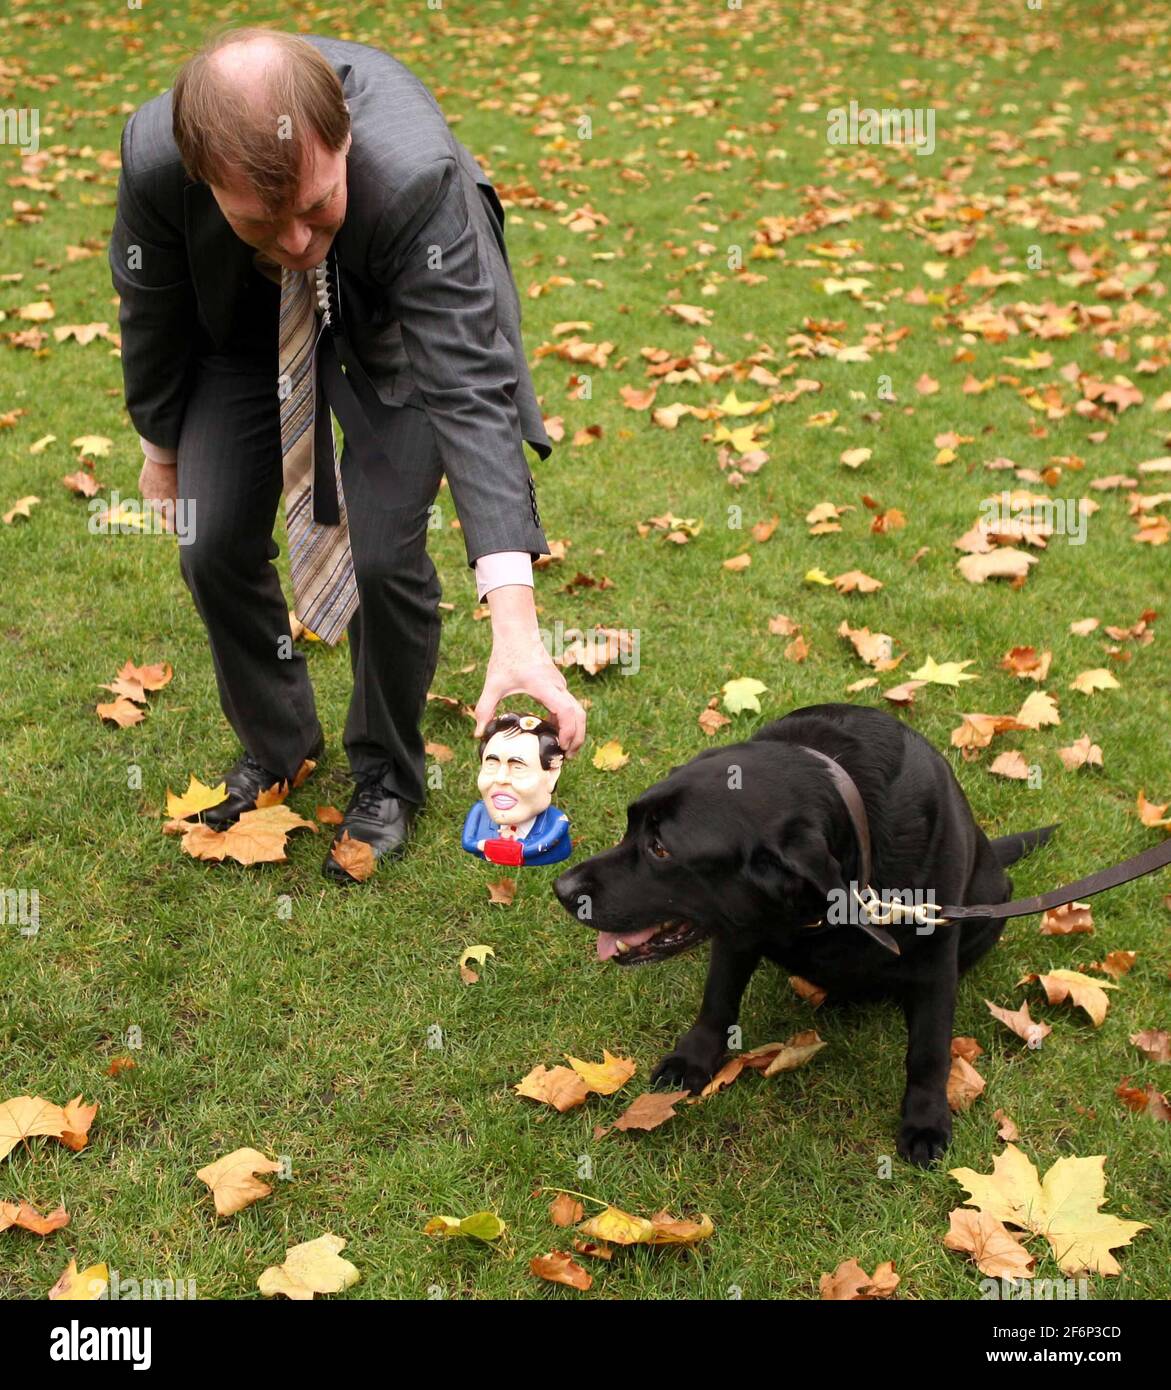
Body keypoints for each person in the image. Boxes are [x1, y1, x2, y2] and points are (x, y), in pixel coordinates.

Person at [109, 26, 586, 882]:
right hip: (242, 339)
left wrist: (515, 628)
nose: (295, 240)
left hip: (394, 323)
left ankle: (387, 776)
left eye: (315, 205)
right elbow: (151, 305)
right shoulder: (154, 154)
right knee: (209, 538)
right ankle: (279, 744)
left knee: (386, 552)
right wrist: (160, 448)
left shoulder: (413, 176)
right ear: (202, 175)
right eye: (263, 217)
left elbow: (470, 392)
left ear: (343, 143)